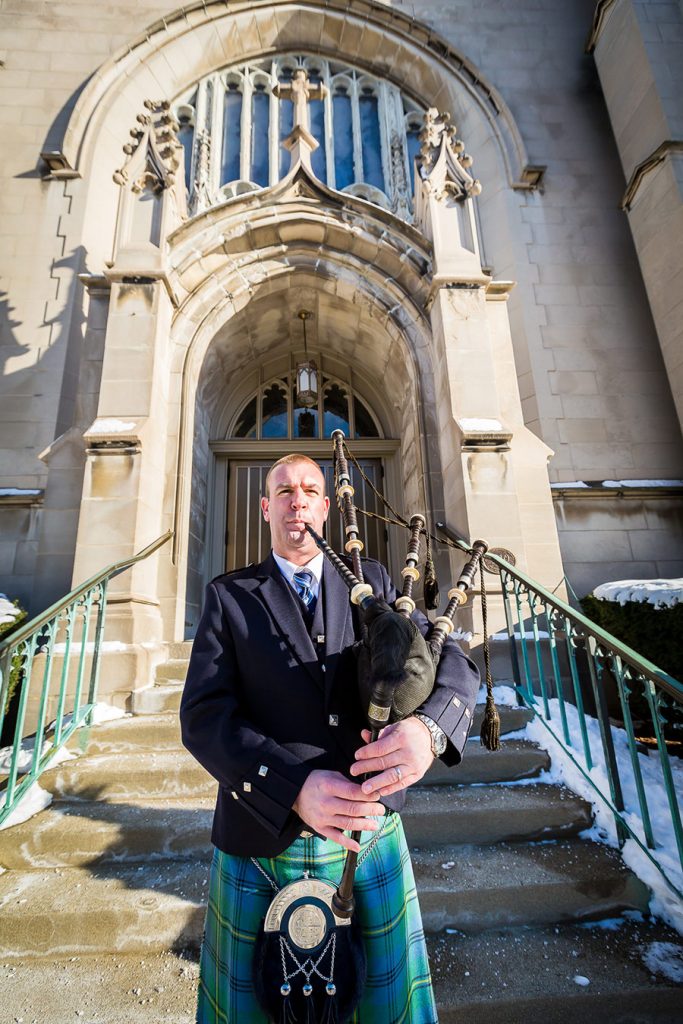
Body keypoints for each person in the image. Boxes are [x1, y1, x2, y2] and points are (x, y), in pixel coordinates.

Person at [180, 454, 480, 1023]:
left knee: (386, 1010)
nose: (298, 501)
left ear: (324, 506)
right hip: (259, 837)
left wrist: (429, 729)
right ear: (266, 508)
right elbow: (202, 717)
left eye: (310, 490)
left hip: (368, 838)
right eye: (284, 491)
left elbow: (451, 662)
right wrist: (292, 786)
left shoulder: (379, 587)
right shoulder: (231, 596)